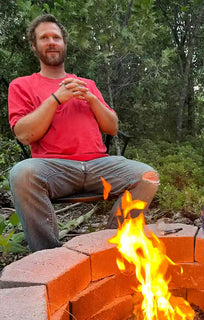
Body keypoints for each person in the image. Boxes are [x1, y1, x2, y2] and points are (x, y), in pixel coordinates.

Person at [8, 14, 159, 252]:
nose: (51, 42)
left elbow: (112, 127)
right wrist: (57, 98)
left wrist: (90, 98)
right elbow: (25, 135)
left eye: (56, 37)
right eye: (44, 38)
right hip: (55, 169)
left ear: (64, 44)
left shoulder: (86, 84)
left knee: (147, 176)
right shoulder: (22, 85)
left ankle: (113, 246)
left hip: (99, 164)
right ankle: (49, 257)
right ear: (34, 45)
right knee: (21, 174)